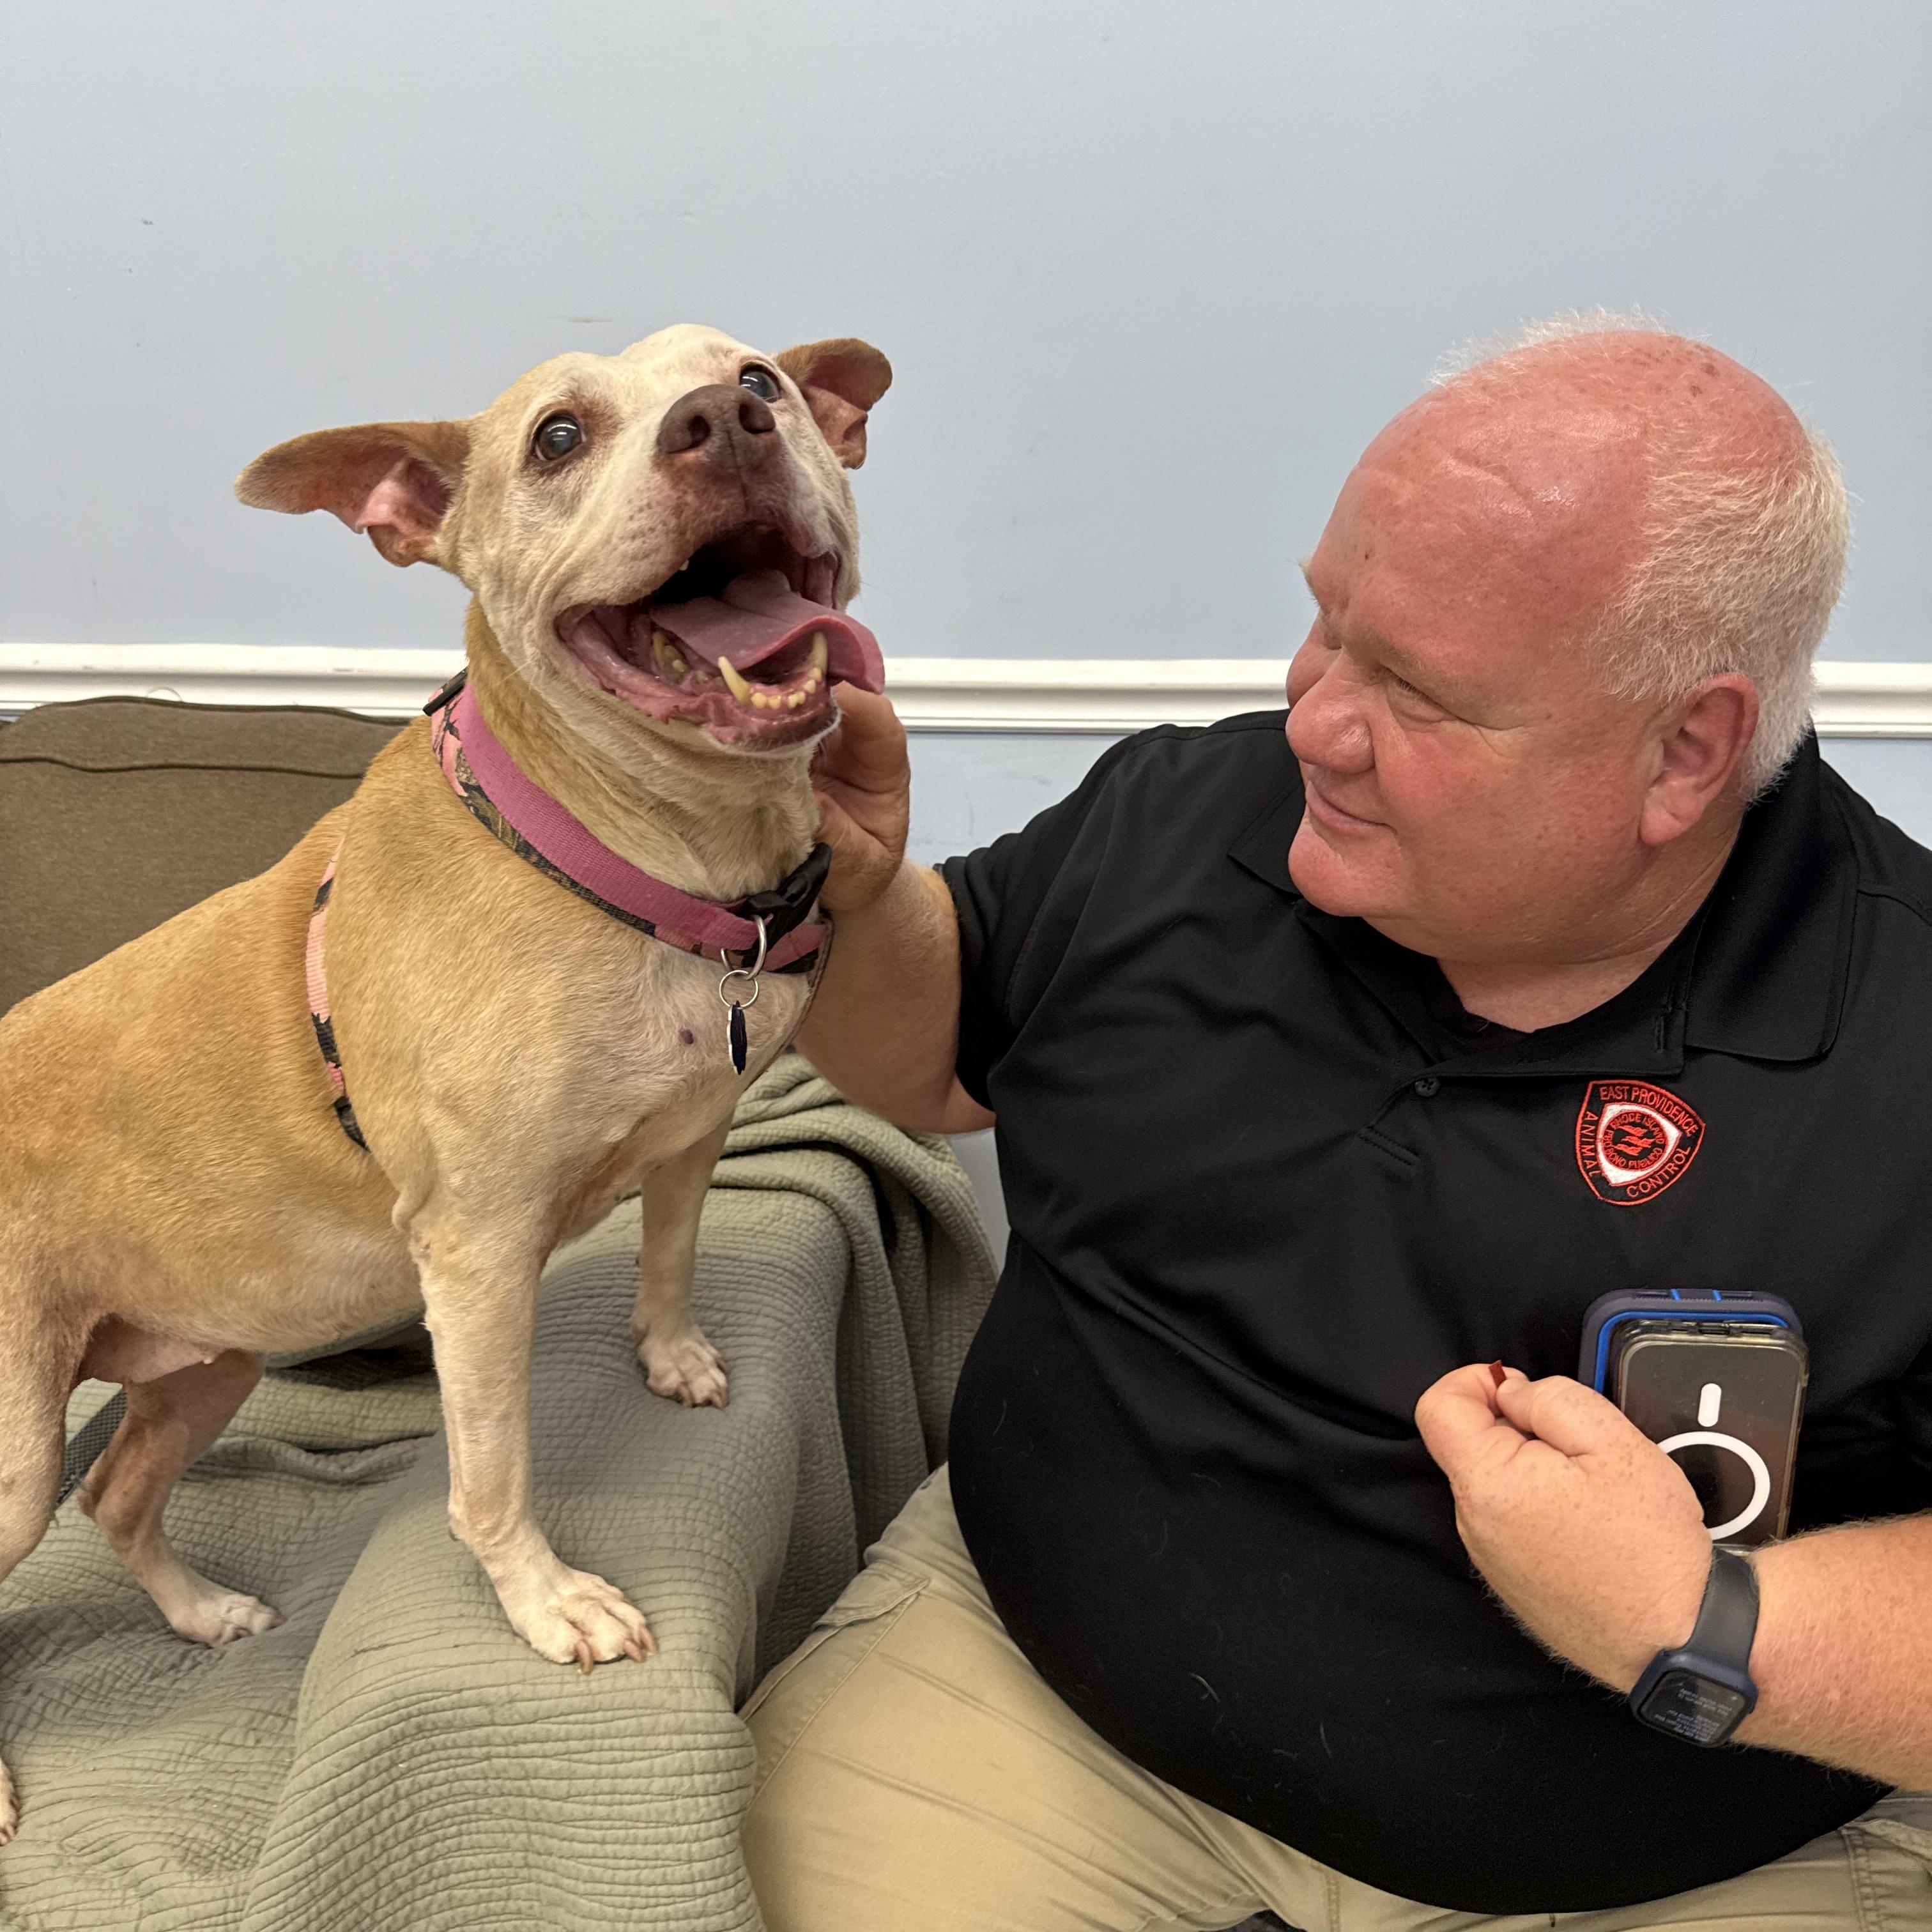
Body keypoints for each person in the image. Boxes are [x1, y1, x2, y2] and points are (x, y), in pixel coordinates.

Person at [739, 317, 1932, 1929]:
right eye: (1327, 623)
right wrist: (855, 903)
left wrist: (1697, 1621)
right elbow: (940, 1054)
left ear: (1688, 753)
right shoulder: (1188, 814)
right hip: (1028, 1697)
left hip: (1675, 1847)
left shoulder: (1902, 1035)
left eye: (1417, 692)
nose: (1312, 718)